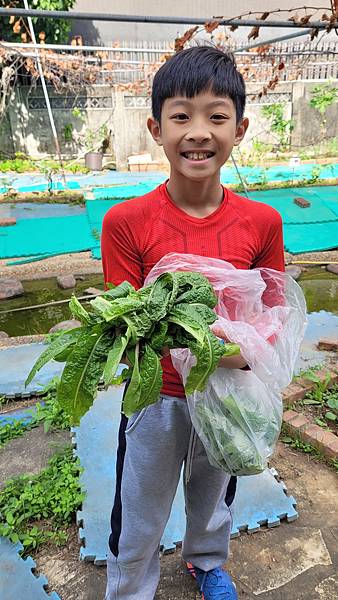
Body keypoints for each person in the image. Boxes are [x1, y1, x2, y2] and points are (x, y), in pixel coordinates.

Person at [101, 45, 284, 600]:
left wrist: (241, 355)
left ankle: (205, 564)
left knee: (214, 493)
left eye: (216, 115)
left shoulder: (263, 222)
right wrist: (207, 345)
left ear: (241, 127)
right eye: (181, 115)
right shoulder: (125, 222)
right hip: (155, 397)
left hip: (227, 391)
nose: (198, 131)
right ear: (156, 129)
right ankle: (131, 586)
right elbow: (127, 324)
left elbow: (270, 315)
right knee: (139, 505)